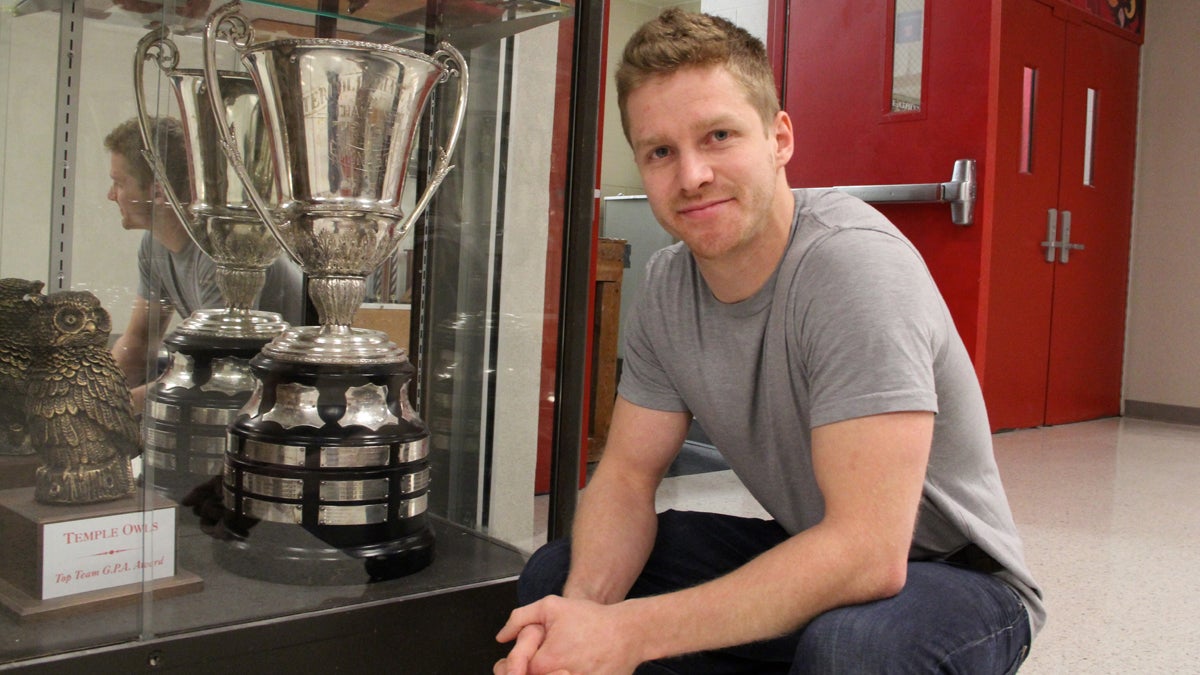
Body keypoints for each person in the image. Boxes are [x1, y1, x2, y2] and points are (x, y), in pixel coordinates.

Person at [495, 9, 1043, 674]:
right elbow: (627, 478)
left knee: (852, 648)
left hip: (956, 580)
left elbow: (869, 551)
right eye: (660, 152)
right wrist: (583, 616)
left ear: (780, 138)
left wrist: (629, 634)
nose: (691, 174)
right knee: (556, 577)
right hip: (815, 545)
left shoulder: (852, 267)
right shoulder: (670, 286)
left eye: (718, 135)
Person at [104, 117, 304, 411]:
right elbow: (139, 341)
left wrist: (114, 409)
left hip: (284, 400)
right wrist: (97, 394)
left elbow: (214, 372)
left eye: (119, 184)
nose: (111, 196)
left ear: (159, 193)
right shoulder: (153, 246)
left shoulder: (220, 252)